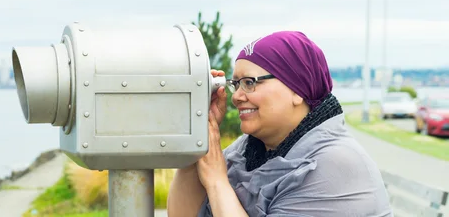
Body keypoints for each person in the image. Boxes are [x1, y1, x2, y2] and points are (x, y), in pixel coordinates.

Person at [167, 31, 392, 217]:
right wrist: (199, 137)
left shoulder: (333, 165)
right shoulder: (247, 151)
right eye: (236, 84)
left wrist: (217, 182)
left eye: (249, 82)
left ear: (297, 89)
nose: (236, 97)